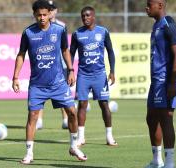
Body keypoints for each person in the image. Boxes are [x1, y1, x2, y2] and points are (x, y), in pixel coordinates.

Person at [12, 0, 87, 164]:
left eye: (45, 14)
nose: (42, 18)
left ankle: (74, 146)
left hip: (58, 82)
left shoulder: (59, 30)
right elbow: (21, 54)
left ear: (50, 14)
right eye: (39, 15)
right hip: (37, 85)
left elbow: (65, 50)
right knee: (32, 116)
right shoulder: (28, 33)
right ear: (34, 15)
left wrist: (71, 70)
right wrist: (15, 77)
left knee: (72, 113)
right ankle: (29, 153)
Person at [70, 6, 117, 147]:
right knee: (82, 104)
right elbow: (71, 53)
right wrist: (70, 71)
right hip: (83, 75)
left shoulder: (103, 32)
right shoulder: (77, 34)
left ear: (94, 16)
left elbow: (110, 52)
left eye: (88, 15)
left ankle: (109, 136)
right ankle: (81, 137)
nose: (85, 18)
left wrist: (112, 71)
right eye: (83, 16)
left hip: (99, 75)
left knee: (104, 105)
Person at [145, 0, 176, 168]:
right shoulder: (156, 26)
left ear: (160, 5)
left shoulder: (168, 24)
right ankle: (156, 160)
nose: (146, 7)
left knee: (166, 119)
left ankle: (170, 162)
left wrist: (172, 82)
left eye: (149, 4)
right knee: (151, 118)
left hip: (166, 81)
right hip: (156, 81)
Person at [35, 0, 69, 130]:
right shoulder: (38, 26)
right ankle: (39, 120)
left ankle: (65, 119)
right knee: (40, 93)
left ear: (55, 11)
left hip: (60, 66)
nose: (50, 11)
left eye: (52, 9)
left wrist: (69, 67)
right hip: (44, 65)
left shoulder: (61, 26)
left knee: (62, 94)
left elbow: (65, 48)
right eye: (48, 9)